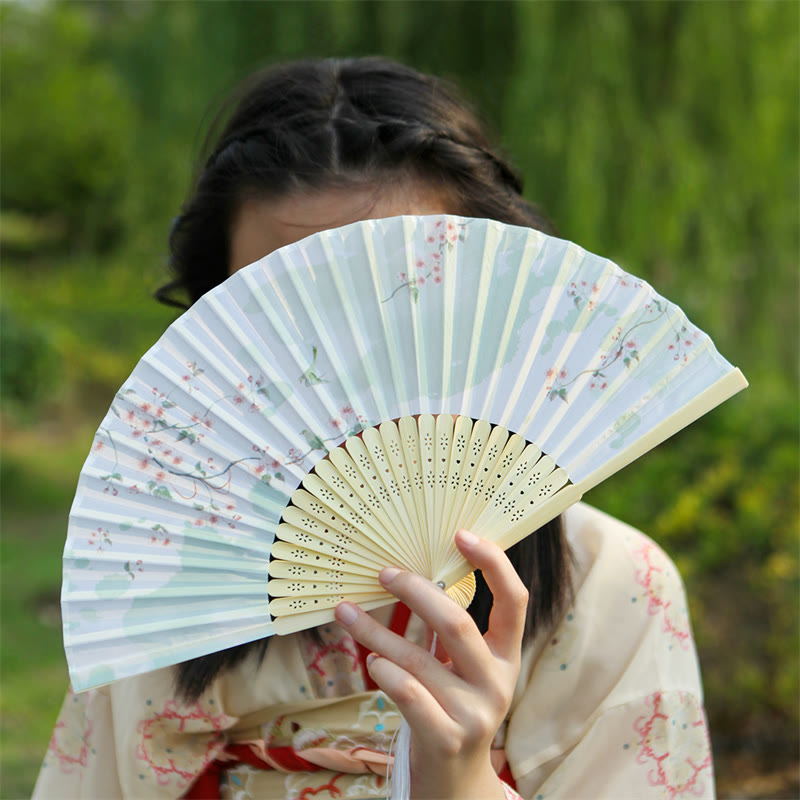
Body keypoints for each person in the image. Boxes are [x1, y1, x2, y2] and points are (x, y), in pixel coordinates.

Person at [34, 57, 714, 800]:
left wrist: (459, 781)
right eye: (284, 307)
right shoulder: (153, 579)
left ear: (493, 298)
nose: (344, 365)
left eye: (399, 297)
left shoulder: (612, 584)